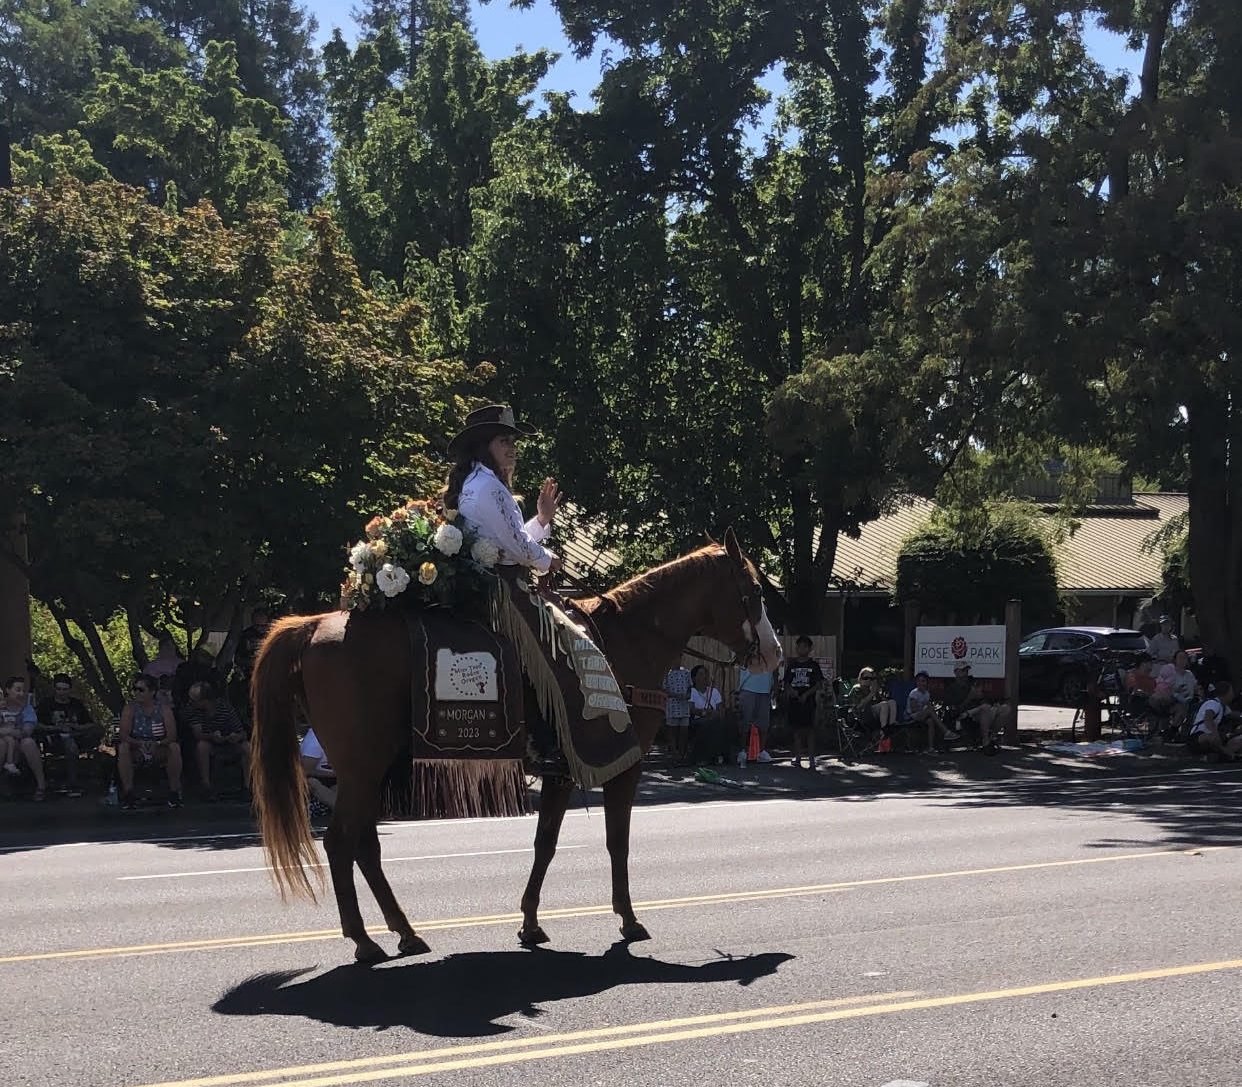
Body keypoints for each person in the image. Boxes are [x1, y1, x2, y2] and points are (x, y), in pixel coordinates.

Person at [449, 404, 639, 785]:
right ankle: (548, 741)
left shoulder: (480, 484)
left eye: (513, 441)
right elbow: (519, 548)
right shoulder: (489, 488)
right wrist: (549, 559)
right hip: (504, 590)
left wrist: (542, 520)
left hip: (502, 582)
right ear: (484, 445)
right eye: (504, 441)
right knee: (561, 647)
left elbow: (512, 540)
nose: (512, 448)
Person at [117, 674, 182, 809]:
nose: (137, 693)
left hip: (159, 747)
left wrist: (157, 744)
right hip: (137, 748)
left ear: (152, 692)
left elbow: (172, 735)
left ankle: (174, 792)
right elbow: (123, 734)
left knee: (174, 748)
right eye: (135, 689)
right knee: (123, 748)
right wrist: (139, 744)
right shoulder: (130, 708)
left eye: (141, 690)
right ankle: (128, 793)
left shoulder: (164, 709)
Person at [35, 674, 102, 796]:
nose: (61, 692)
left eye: (65, 689)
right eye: (59, 689)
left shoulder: (76, 704)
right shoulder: (46, 704)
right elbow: (37, 725)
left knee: (96, 730)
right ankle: (73, 781)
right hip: (55, 738)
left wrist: (77, 727)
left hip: (78, 735)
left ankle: (97, 774)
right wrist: (56, 728)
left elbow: (90, 723)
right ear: (54, 689)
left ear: (70, 689)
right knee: (69, 743)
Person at [186, 680, 250, 799]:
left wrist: (236, 737)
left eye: (194, 700)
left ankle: (248, 787)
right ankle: (207, 786)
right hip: (211, 744)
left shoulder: (225, 707)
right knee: (202, 747)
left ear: (204, 700)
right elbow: (198, 734)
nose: (190, 702)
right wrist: (212, 736)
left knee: (247, 747)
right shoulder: (193, 711)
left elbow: (242, 733)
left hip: (230, 743)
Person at [943, 661, 1005, 754]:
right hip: (965, 714)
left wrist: (983, 698)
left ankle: (990, 738)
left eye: (966, 671)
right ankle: (986, 743)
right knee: (985, 708)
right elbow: (954, 710)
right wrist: (969, 698)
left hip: (979, 711)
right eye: (962, 671)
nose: (965, 673)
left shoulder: (972, 683)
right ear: (956, 672)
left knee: (1004, 709)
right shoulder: (951, 688)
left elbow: (983, 699)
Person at [1, 676, 46, 800]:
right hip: (4, 742)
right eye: (18, 690)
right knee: (1, 744)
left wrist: (9, 731)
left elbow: (27, 731)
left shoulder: (27, 709)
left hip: (19, 741)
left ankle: (41, 785)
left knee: (29, 743)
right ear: (8, 690)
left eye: (23, 691)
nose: (21, 694)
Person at [782, 637, 824, 769]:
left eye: (805, 646)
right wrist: (792, 692)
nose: (802, 649)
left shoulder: (814, 665)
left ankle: (811, 759)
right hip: (794, 701)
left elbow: (819, 684)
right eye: (799, 646)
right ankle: (798, 757)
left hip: (809, 701)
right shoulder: (792, 665)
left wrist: (806, 694)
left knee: (810, 730)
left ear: (810, 649)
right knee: (796, 730)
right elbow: (786, 683)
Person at [1187, 683, 1242, 760]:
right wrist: (1215, 734)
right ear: (1226, 694)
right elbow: (1208, 720)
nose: (1233, 695)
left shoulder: (1223, 707)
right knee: (1212, 738)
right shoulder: (1213, 703)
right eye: (1231, 692)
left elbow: (1234, 715)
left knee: (1237, 741)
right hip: (1198, 737)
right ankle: (1226, 753)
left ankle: (1221, 755)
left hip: (1213, 739)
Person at [737, 650, 775, 762]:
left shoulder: (772, 645)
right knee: (745, 721)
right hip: (748, 687)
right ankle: (742, 751)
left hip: (765, 688)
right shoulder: (745, 645)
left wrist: (775, 684)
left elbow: (775, 665)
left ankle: (761, 751)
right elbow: (740, 659)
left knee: (764, 723)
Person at [906, 671, 959, 750]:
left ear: (926, 682)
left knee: (930, 721)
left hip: (922, 715)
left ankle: (931, 747)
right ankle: (946, 731)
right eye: (918, 681)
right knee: (929, 711)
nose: (920, 683)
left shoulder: (926, 693)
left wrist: (932, 711)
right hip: (912, 716)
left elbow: (929, 705)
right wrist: (926, 710)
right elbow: (913, 709)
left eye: (923, 681)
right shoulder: (914, 693)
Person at [1151, 650, 1198, 733]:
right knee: (1181, 709)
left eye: (1185, 658)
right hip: (1171, 701)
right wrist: (1175, 690)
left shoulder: (1189, 674)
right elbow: (1162, 688)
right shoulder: (1170, 673)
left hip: (1188, 700)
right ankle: (1171, 731)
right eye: (1180, 658)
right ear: (1175, 660)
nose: (1182, 660)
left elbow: (1195, 687)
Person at [299, 727, 337, 815]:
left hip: (332, 781)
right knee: (313, 783)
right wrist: (334, 775)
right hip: (314, 779)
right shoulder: (315, 740)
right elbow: (305, 770)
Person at [849, 667, 898, 732]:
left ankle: (891, 725)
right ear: (860, 678)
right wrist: (871, 694)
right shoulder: (857, 688)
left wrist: (878, 692)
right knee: (884, 705)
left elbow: (881, 700)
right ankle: (884, 729)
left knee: (892, 702)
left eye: (871, 678)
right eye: (866, 678)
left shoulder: (872, 688)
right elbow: (858, 706)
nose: (868, 680)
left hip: (873, 714)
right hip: (861, 715)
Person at [662, 665, 692, 762]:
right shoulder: (667, 674)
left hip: (684, 706)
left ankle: (682, 754)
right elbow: (664, 689)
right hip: (672, 706)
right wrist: (675, 695)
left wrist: (687, 695)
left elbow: (690, 687)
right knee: (672, 731)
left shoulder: (686, 672)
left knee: (684, 731)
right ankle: (674, 754)